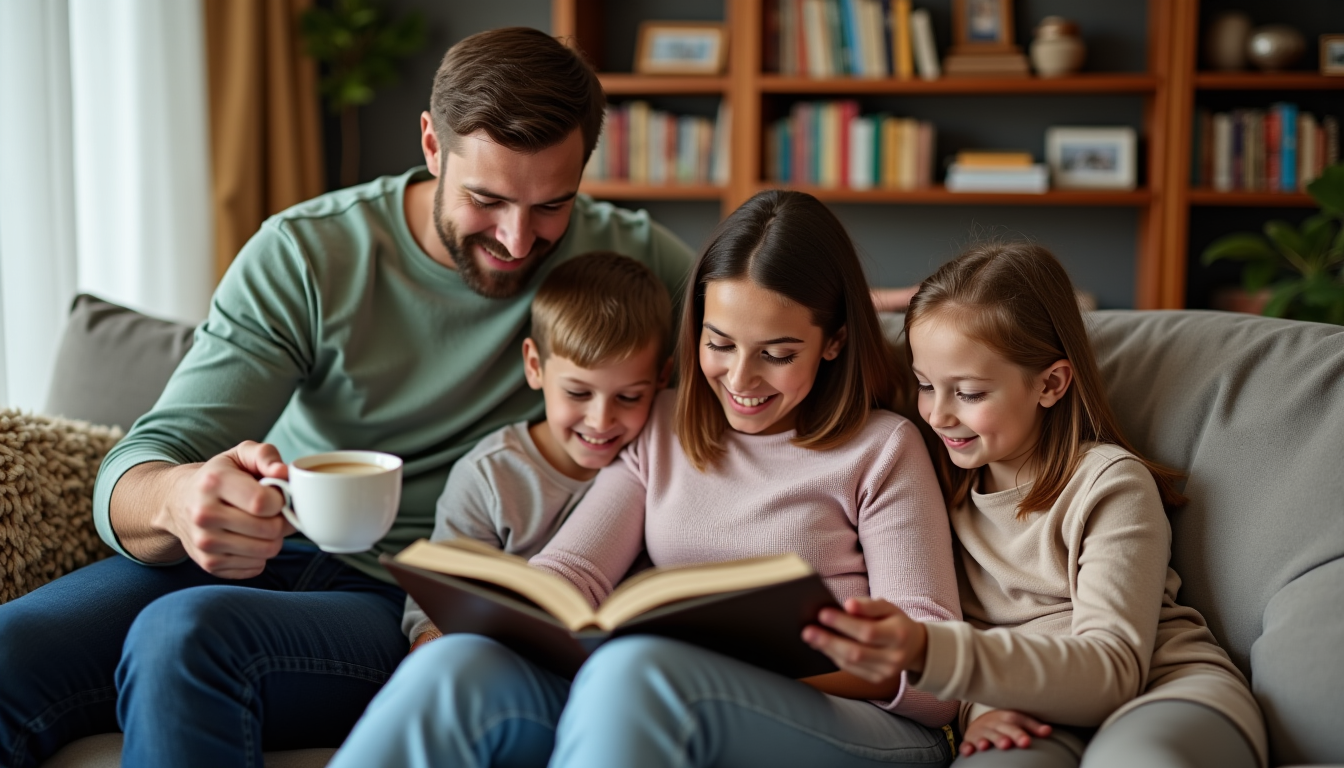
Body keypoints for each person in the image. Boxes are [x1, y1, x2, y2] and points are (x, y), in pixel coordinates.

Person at [0, 27, 695, 768]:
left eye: (553, 206)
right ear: (432, 145)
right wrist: (178, 499)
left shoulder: (635, 265)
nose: (518, 240)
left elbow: (755, 367)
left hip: (405, 597)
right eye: (486, 199)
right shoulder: (309, 253)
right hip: (266, 549)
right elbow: (138, 464)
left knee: (185, 636)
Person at [327, 189, 962, 768]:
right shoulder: (662, 424)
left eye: (776, 354)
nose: (740, 380)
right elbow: (573, 571)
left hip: (858, 721)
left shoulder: (882, 448)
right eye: (719, 344)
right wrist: (518, 614)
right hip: (672, 688)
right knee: (457, 663)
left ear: (834, 341)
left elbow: (935, 681)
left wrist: (754, 661)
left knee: (640, 671)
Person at [803, 241, 1267, 768]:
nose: (937, 414)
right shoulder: (932, 486)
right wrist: (977, 710)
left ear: (1050, 384)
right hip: (1027, 711)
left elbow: (1114, 671)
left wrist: (930, 652)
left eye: (969, 393)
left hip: (1163, 690)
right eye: (925, 385)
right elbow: (811, 322)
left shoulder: (1109, 484)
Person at [403, 251, 672, 651]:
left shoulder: (659, 462)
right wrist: (434, 642)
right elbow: (434, 602)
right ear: (534, 366)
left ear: (662, 378)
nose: (601, 420)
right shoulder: (490, 476)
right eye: (577, 393)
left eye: (629, 397)